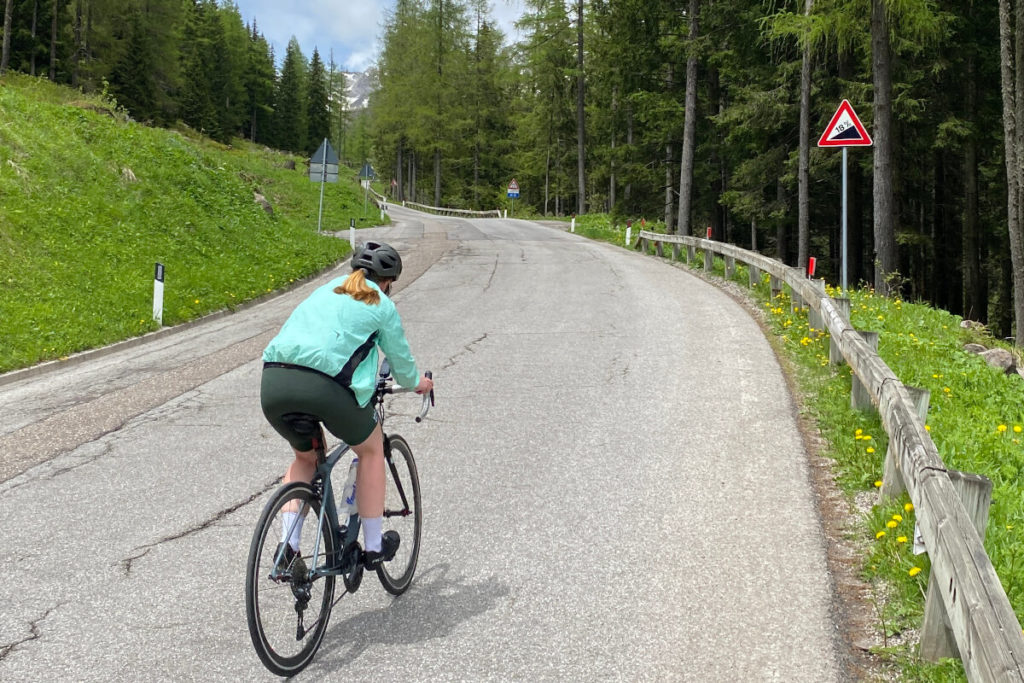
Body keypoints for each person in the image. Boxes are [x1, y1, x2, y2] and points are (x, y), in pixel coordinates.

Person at [260, 241, 433, 568]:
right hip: (324, 388)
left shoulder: (325, 289)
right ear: (386, 281)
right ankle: (372, 547)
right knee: (370, 449)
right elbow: (402, 365)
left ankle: (288, 546)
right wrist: (419, 385)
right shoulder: (381, 303)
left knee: (305, 458)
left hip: (273, 381)